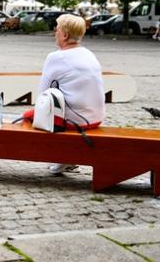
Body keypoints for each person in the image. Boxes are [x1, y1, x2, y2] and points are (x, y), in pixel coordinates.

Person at [22, 14, 105, 174]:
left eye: (57, 29)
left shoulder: (56, 57)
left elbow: (42, 95)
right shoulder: (88, 53)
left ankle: (63, 157)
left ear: (65, 35)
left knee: (28, 116)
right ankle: (67, 158)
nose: (55, 32)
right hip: (96, 116)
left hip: (76, 121)